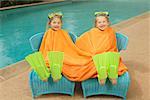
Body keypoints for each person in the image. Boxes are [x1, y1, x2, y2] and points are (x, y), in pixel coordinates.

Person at [75, 12, 128, 85]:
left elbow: (112, 45)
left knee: (111, 57)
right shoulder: (93, 32)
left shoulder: (111, 31)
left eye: (104, 22)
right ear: (96, 24)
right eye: (99, 22)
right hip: (98, 55)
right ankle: (103, 73)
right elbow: (82, 40)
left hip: (109, 53)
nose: (102, 24)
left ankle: (110, 73)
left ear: (108, 23)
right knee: (97, 60)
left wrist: (109, 51)